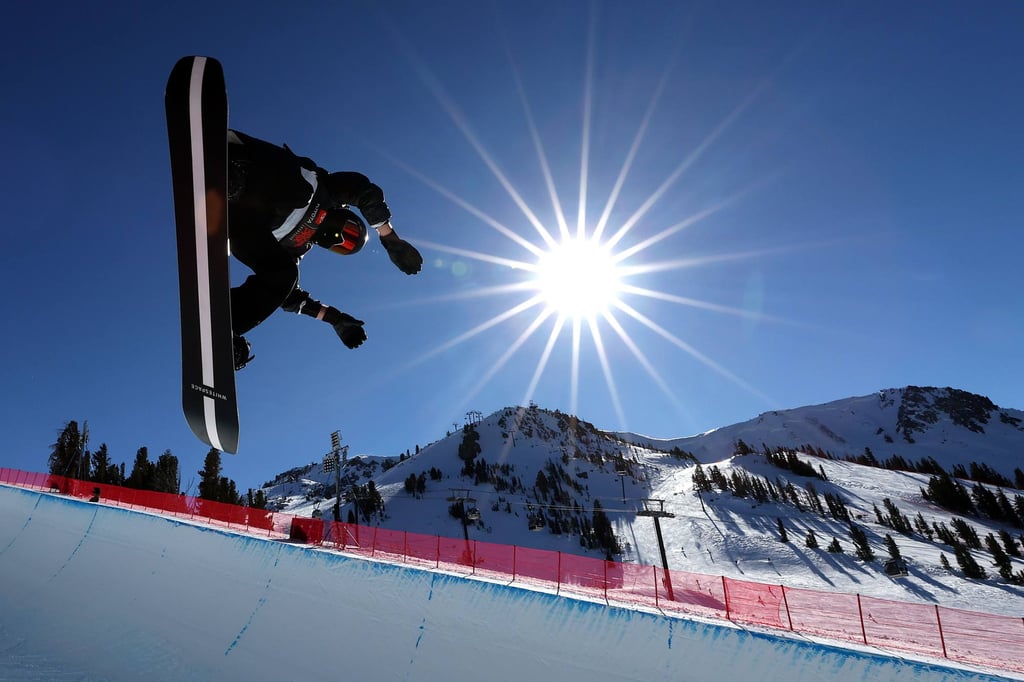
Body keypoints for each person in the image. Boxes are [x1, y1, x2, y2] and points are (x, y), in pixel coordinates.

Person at [226, 130, 422, 369]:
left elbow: (289, 298)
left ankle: (226, 325)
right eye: (348, 233)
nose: (338, 239)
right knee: (301, 193)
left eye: (344, 246)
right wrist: (390, 238)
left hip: (237, 221)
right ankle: (233, 174)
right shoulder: (329, 192)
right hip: (248, 163)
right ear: (345, 215)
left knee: (285, 275)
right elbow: (364, 191)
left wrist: (334, 319)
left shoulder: (297, 248)